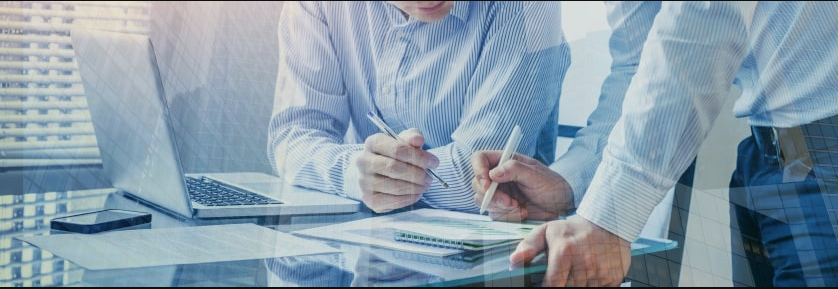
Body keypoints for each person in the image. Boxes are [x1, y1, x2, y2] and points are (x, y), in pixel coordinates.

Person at [471, 1, 838, 287]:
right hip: (767, 156)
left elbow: (702, 29)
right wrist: (572, 183)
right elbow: (638, 62)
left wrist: (606, 218)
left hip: (823, 153)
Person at [269, 1, 570, 214]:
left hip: (490, 257)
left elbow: (482, 180)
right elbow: (292, 139)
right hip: (361, 246)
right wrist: (354, 172)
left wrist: (385, 177)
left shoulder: (531, 6)